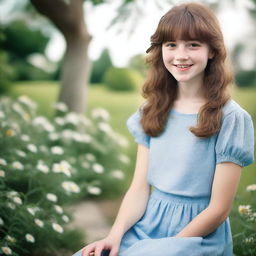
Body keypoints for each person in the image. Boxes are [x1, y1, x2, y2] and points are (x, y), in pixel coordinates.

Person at [73, 2, 255, 256]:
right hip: (148, 224)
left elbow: (219, 209)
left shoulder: (231, 118)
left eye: (193, 44)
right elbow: (139, 187)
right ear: (161, 50)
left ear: (212, 51)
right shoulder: (152, 110)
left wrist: (168, 247)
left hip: (198, 234)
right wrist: (113, 235)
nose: (180, 55)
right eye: (171, 45)